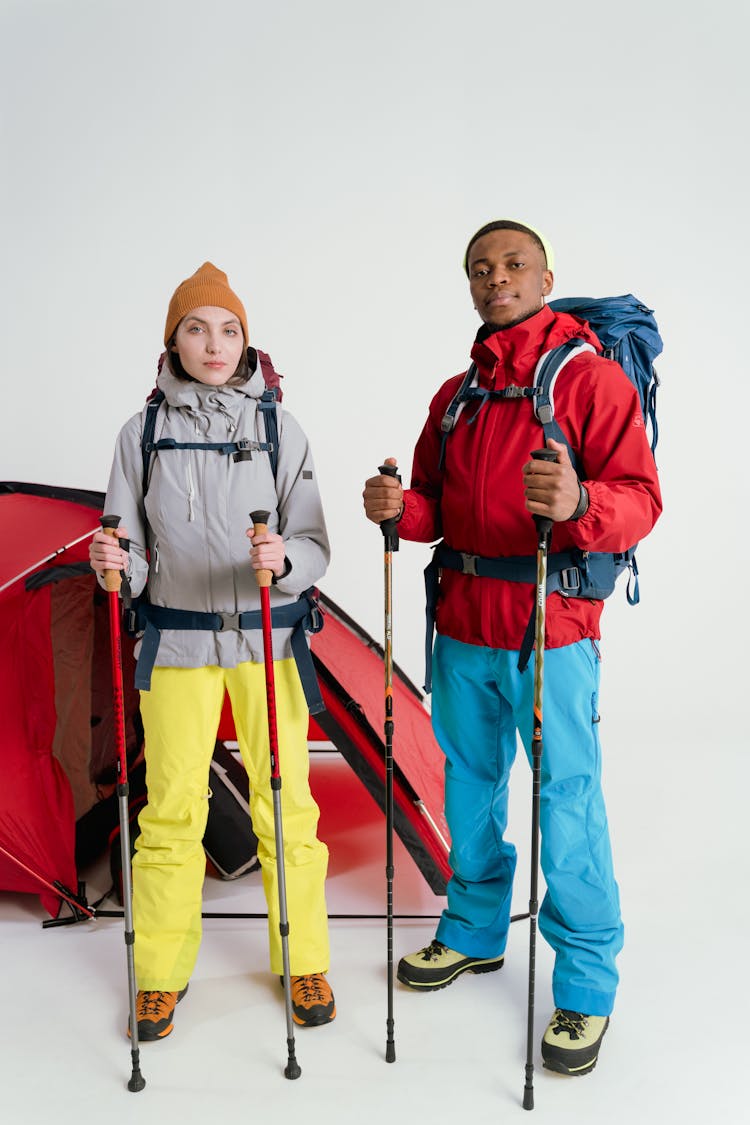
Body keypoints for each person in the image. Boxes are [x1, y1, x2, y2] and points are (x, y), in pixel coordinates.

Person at [362, 220, 661, 1077]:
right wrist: (397, 508)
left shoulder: (591, 380)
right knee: (469, 788)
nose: (498, 279)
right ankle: (473, 933)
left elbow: (642, 497)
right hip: (463, 629)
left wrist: (578, 502)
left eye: (514, 265)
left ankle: (587, 984)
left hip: (552, 630)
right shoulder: (455, 395)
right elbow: (432, 508)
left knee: (566, 800)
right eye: (481, 270)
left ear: (546, 274)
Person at [90, 262, 334, 1040]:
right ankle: (159, 974)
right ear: (174, 341)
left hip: (271, 638)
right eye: (197, 328)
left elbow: (316, 540)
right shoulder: (142, 432)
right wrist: (115, 566)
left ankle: (304, 960)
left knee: (287, 803)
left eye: (229, 329)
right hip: (177, 645)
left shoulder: (278, 428)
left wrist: (285, 560)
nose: (215, 343)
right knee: (170, 811)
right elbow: (127, 552)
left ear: (247, 340)